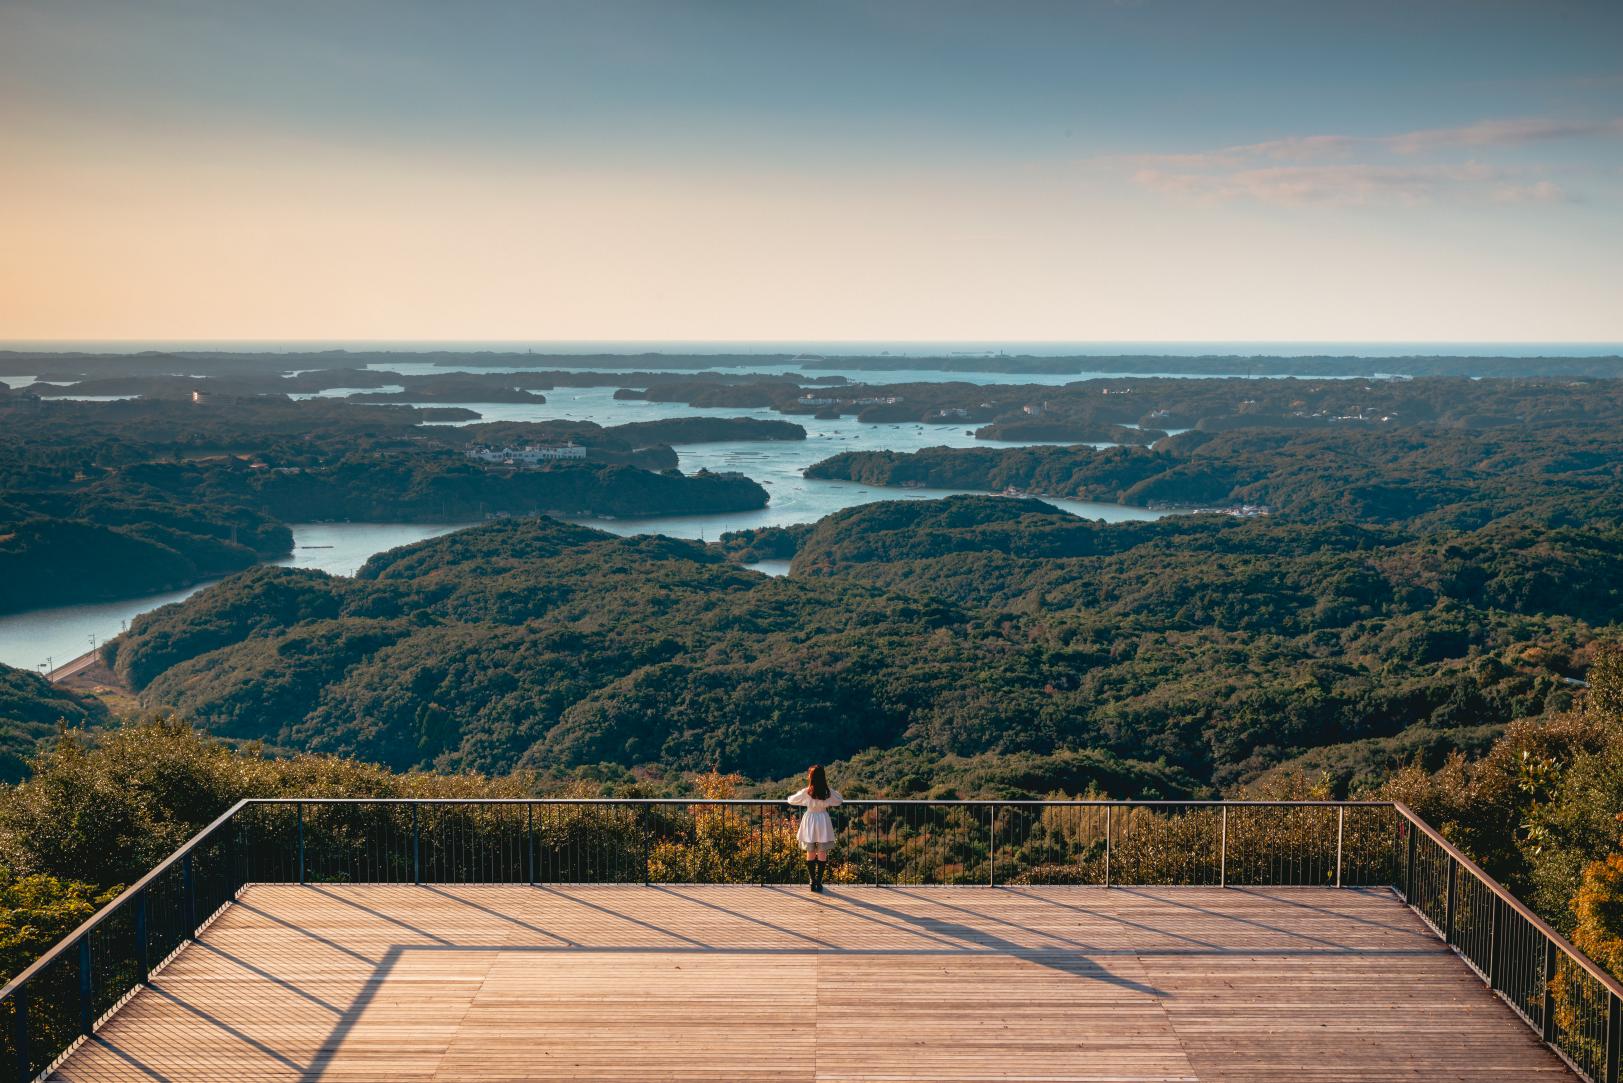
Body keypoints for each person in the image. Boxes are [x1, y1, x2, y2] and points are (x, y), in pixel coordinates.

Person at [786, 765, 842, 893]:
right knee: (822, 852)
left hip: (810, 818)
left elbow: (791, 800)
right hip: (823, 818)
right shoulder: (828, 792)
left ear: (811, 777)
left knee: (810, 851)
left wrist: (804, 802)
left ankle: (812, 881)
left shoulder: (806, 792)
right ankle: (819, 882)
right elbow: (839, 800)